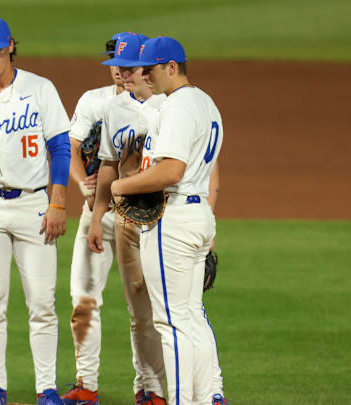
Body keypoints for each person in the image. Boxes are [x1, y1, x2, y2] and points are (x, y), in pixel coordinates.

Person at [0, 17, 72, 405]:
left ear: (10, 47)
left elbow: (60, 147)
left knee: (42, 302)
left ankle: (47, 388)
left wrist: (57, 201)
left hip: (35, 204)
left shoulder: (40, 88)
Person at [109, 36, 226, 405]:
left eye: (151, 69)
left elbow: (171, 171)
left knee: (171, 323)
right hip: (199, 214)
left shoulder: (177, 106)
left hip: (173, 219)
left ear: (171, 67)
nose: (145, 75)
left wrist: (121, 185)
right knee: (191, 316)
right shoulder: (206, 102)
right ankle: (207, 397)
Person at [63, 32, 165, 405]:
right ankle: (86, 384)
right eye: (115, 64)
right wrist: (87, 193)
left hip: (142, 219)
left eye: (126, 65)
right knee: (83, 299)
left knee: (142, 308)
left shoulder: (166, 105)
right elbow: (74, 150)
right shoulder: (97, 102)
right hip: (101, 212)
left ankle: (150, 388)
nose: (120, 72)